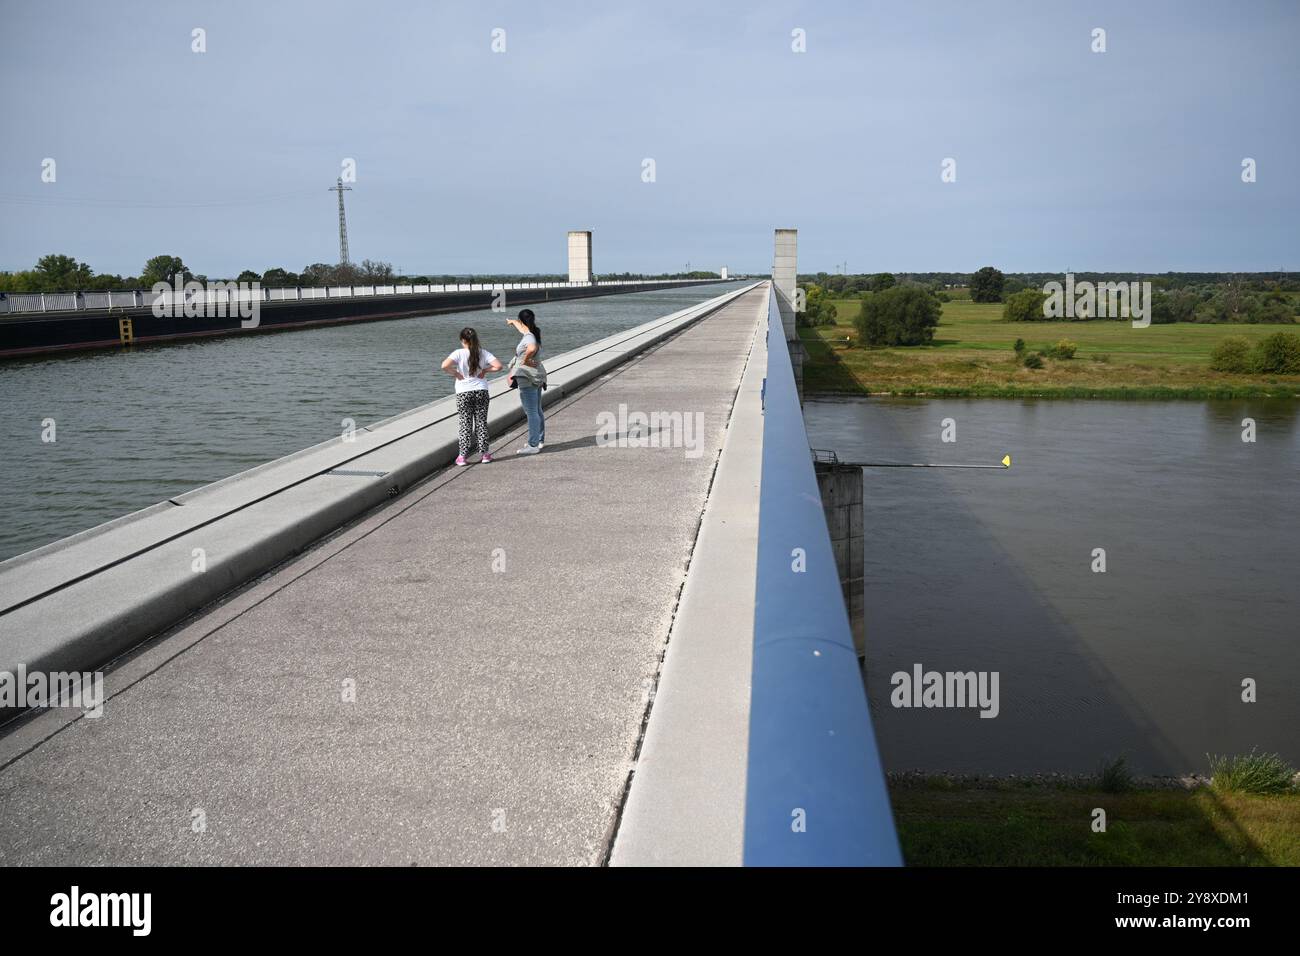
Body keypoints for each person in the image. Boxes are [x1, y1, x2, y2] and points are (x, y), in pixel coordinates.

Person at [441, 327, 502, 465]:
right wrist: (485, 370)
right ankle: (485, 454)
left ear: (463, 340)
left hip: (463, 391)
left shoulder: (458, 353)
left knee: (465, 424)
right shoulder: (483, 353)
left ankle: (462, 456)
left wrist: (455, 373)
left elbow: (444, 365)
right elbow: (498, 366)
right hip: (481, 390)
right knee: (481, 423)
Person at [506, 308, 547, 455]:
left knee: (531, 412)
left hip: (527, 377)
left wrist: (525, 360)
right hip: (536, 376)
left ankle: (533, 445)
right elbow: (521, 328)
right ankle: (539, 440)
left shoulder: (529, 337)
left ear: (523, 321)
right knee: (537, 410)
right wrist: (512, 322)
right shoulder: (532, 332)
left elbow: (531, 347)